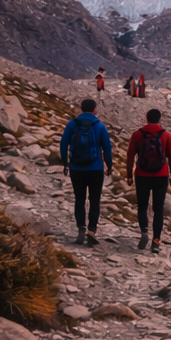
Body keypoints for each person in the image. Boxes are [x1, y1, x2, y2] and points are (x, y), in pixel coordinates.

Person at [59, 98, 113, 245]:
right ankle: (92, 230)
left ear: (81, 109)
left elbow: (63, 144)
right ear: (95, 110)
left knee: (79, 199)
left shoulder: (72, 124)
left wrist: (66, 163)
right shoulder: (100, 126)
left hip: (76, 168)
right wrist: (109, 165)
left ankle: (81, 228)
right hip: (96, 168)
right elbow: (107, 148)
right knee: (95, 200)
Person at [126, 107, 171, 254]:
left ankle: (144, 232)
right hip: (161, 175)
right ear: (159, 119)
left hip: (142, 175)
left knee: (142, 206)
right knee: (158, 209)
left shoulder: (137, 134)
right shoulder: (166, 135)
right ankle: (156, 241)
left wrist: (129, 175)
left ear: (146, 118)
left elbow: (130, 156)